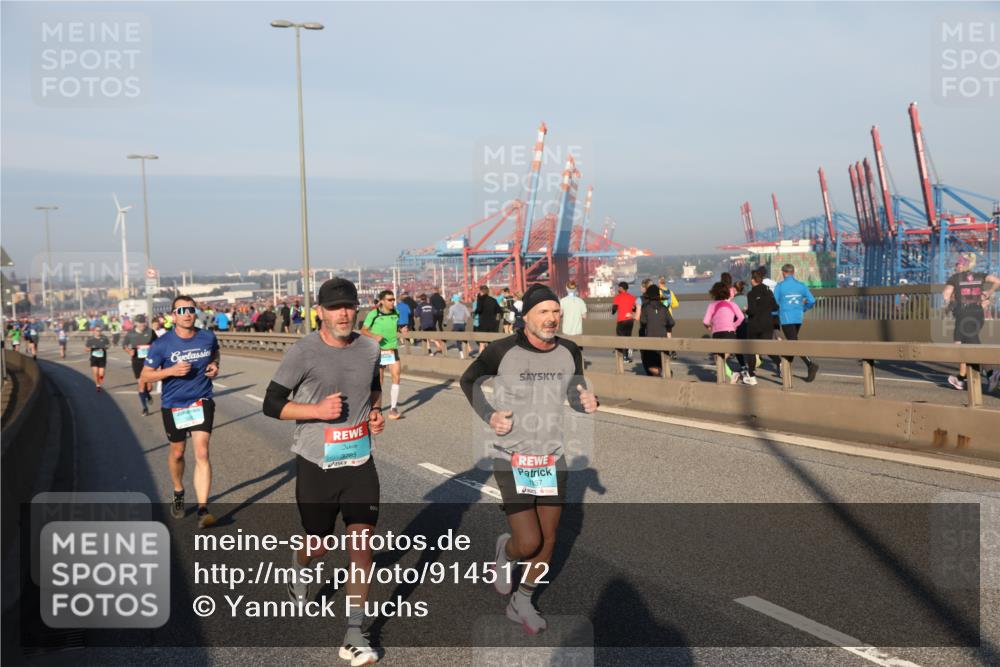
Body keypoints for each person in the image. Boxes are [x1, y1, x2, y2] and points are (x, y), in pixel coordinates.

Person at [459, 283, 598, 635]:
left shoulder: (569, 349)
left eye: (555, 312)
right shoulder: (501, 350)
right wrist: (489, 414)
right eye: (544, 312)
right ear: (526, 318)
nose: (552, 318)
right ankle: (506, 551)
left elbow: (574, 392)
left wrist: (586, 401)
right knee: (528, 542)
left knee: (549, 537)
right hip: (512, 457)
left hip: (552, 457)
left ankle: (522, 599)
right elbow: (469, 380)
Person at [263, 278, 384, 666]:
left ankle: (354, 632)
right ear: (320, 311)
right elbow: (271, 404)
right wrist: (315, 412)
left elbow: (374, 388)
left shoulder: (370, 348)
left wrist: (375, 414)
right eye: (335, 308)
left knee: (362, 548)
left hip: (359, 462)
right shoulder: (302, 352)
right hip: (316, 464)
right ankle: (301, 567)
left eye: (349, 306)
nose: (343, 313)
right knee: (320, 545)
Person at [140, 296, 221, 528]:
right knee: (177, 453)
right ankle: (178, 490)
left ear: (195, 313)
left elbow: (215, 353)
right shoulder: (162, 344)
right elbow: (145, 376)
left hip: (201, 400)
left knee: (202, 452)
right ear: (173, 316)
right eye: (181, 310)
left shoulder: (207, 336)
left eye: (191, 310)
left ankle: (203, 510)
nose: (187, 314)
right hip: (174, 404)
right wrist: (171, 371)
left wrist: (215, 366)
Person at [942, 254, 1000, 391]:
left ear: (961, 265)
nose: (956, 266)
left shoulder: (955, 278)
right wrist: (988, 292)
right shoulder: (979, 275)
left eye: (957, 263)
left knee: (967, 346)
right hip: (978, 314)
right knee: (964, 344)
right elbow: (998, 281)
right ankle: (962, 378)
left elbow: (945, 296)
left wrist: (949, 303)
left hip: (964, 315)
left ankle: (991, 374)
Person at [361, 290, 405, 419]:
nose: (392, 302)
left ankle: (393, 409)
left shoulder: (396, 312)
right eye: (389, 300)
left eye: (393, 300)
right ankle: (375, 408)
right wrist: (374, 336)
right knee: (379, 381)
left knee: (396, 377)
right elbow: (363, 331)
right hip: (378, 350)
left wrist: (402, 329)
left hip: (392, 349)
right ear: (381, 301)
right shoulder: (373, 314)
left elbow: (395, 327)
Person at [773, 263, 819, 382]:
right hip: (798, 318)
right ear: (793, 272)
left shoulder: (780, 286)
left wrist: (774, 314)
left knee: (793, 343)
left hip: (786, 318)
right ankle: (786, 367)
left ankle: (810, 365)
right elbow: (812, 300)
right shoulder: (801, 286)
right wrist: (803, 308)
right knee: (792, 342)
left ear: (783, 273)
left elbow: (774, 303)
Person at [703, 281, 745, 384]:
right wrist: (733, 326)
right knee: (721, 358)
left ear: (714, 293)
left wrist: (709, 326)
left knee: (718, 358)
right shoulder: (732, 304)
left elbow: (705, 321)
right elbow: (741, 317)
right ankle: (731, 376)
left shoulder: (712, 305)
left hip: (717, 334)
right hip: (729, 333)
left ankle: (730, 376)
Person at [743, 269, 779, 386]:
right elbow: (775, 307)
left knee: (751, 350)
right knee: (767, 347)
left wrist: (746, 310)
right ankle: (780, 363)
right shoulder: (768, 292)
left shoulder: (751, 294)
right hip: (767, 324)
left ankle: (752, 376)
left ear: (753, 280)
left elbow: (752, 311)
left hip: (755, 325)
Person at [122, 315, 158, 416]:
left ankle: (148, 395)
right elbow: (124, 345)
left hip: (149, 362)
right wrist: (129, 351)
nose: (142, 324)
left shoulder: (150, 332)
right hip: (137, 362)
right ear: (136, 323)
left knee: (149, 387)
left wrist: (154, 350)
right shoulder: (130, 334)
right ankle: (145, 408)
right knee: (141, 384)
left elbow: (158, 343)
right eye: (140, 323)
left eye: (144, 322)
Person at [639, 284, 671, 376]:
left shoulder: (645, 307)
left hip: (650, 340)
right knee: (662, 361)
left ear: (648, 295)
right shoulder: (664, 307)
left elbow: (643, 321)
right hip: (663, 340)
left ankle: (660, 373)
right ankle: (664, 373)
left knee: (649, 364)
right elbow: (672, 322)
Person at [611, 282, 637, 363]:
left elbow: (614, 309)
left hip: (621, 320)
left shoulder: (617, 297)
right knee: (628, 336)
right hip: (630, 320)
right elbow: (635, 309)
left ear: (621, 288)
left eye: (619, 288)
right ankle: (629, 352)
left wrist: (613, 311)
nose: (618, 289)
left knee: (621, 339)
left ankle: (625, 357)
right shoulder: (632, 297)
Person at [85, 326, 110, 391]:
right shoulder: (90, 339)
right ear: (94, 331)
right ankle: (97, 384)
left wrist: (105, 347)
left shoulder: (104, 338)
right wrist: (93, 348)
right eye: (97, 330)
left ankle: (99, 382)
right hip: (94, 359)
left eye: (99, 331)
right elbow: (86, 349)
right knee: (96, 373)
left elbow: (108, 345)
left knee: (101, 374)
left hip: (102, 358)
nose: (98, 332)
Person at [446, 294, 471, 359]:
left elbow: (450, 317)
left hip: (456, 324)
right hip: (462, 324)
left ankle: (461, 354)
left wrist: (445, 321)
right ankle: (468, 351)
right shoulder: (463, 306)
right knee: (463, 338)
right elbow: (468, 315)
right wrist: (465, 322)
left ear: (454, 300)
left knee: (458, 340)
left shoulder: (452, 307)